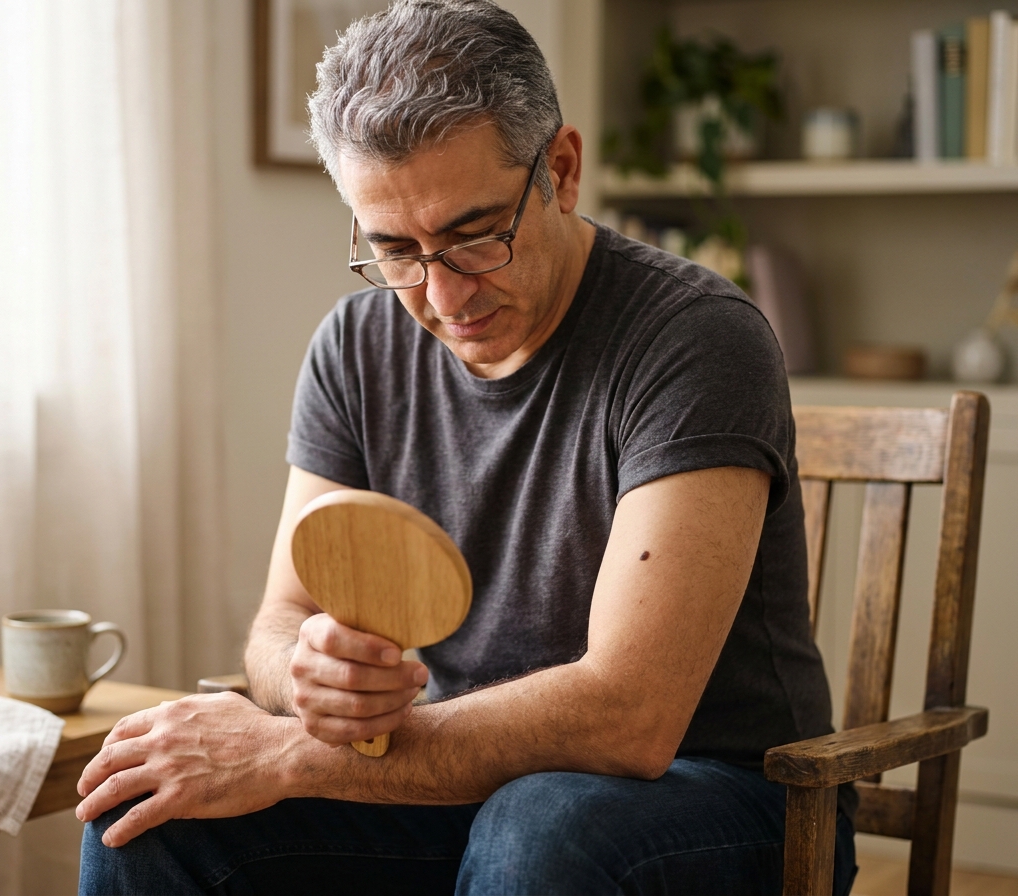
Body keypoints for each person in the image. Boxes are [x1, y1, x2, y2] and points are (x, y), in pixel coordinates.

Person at [75, 1, 857, 893]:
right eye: (395, 250)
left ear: (560, 170)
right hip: (455, 779)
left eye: (475, 236)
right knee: (147, 809)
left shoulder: (696, 339)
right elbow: (276, 625)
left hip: (714, 795)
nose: (443, 296)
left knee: (541, 829)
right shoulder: (355, 345)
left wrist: (295, 753)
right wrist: (310, 680)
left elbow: (626, 720)